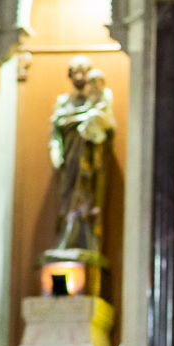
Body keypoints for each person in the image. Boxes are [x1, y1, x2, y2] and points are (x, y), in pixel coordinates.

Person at [49, 57, 115, 254]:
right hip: (68, 161)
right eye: (75, 71)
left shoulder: (96, 100)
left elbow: (108, 126)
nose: (79, 75)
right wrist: (56, 152)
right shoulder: (63, 102)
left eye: (83, 71)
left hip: (88, 160)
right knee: (67, 198)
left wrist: (93, 118)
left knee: (85, 198)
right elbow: (55, 133)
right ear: (69, 74)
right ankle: (66, 238)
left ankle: (85, 241)